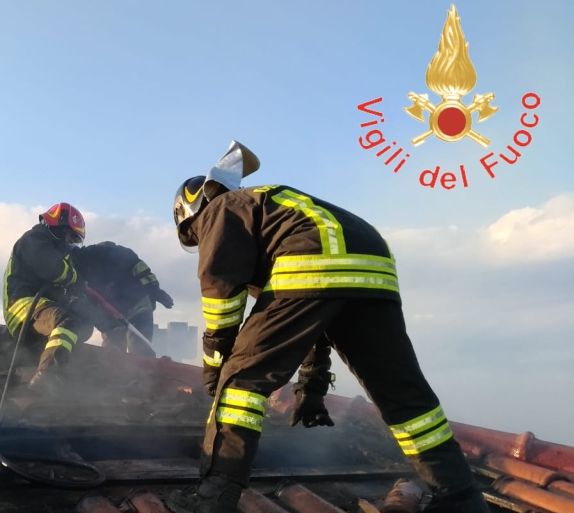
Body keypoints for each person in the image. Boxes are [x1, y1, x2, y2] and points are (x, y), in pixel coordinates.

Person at [166, 141, 488, 513]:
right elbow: (314, 318)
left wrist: (216, 365)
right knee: (404, 396)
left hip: (312, 257)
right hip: (373, 267)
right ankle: (460, 496)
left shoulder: (223, 208)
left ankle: (212, 499)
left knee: (240, 386)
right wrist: (312, 387)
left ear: (190, 212)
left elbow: (220, 292)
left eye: (192, 233)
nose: (198, 238)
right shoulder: (272, 209)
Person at [2, 202, 99, 388]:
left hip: (40, 307)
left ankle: (59, 369)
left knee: (83, 324)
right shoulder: (34, 239)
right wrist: (75, 280)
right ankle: (46, 378)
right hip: (21, 305)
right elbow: (51, 268)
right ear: (59, 227)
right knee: (67, 320)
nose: (70, 242)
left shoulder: (58, 252)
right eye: (71, 236)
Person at [70, 241, 174, 356]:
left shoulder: (108, 253)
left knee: (140, 351)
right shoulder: (74, 276)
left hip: (138, 307)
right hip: (111, 316)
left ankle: (147, 373)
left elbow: (141, 270)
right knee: (111, 354)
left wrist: (155, 291)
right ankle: (114, 373)